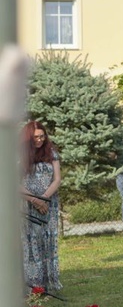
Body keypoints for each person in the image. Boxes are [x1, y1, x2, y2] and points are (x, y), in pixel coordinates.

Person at [21, 121, 62, 292]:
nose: (39, 140)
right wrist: (35, 200)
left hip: (49, 205)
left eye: (42, 136)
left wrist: (44, 199)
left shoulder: (51, 152)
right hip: (28, 205)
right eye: (36, 137)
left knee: (48, 241)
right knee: (32, 244)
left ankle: (49, 281)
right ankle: (34, 284)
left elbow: (57, 179)